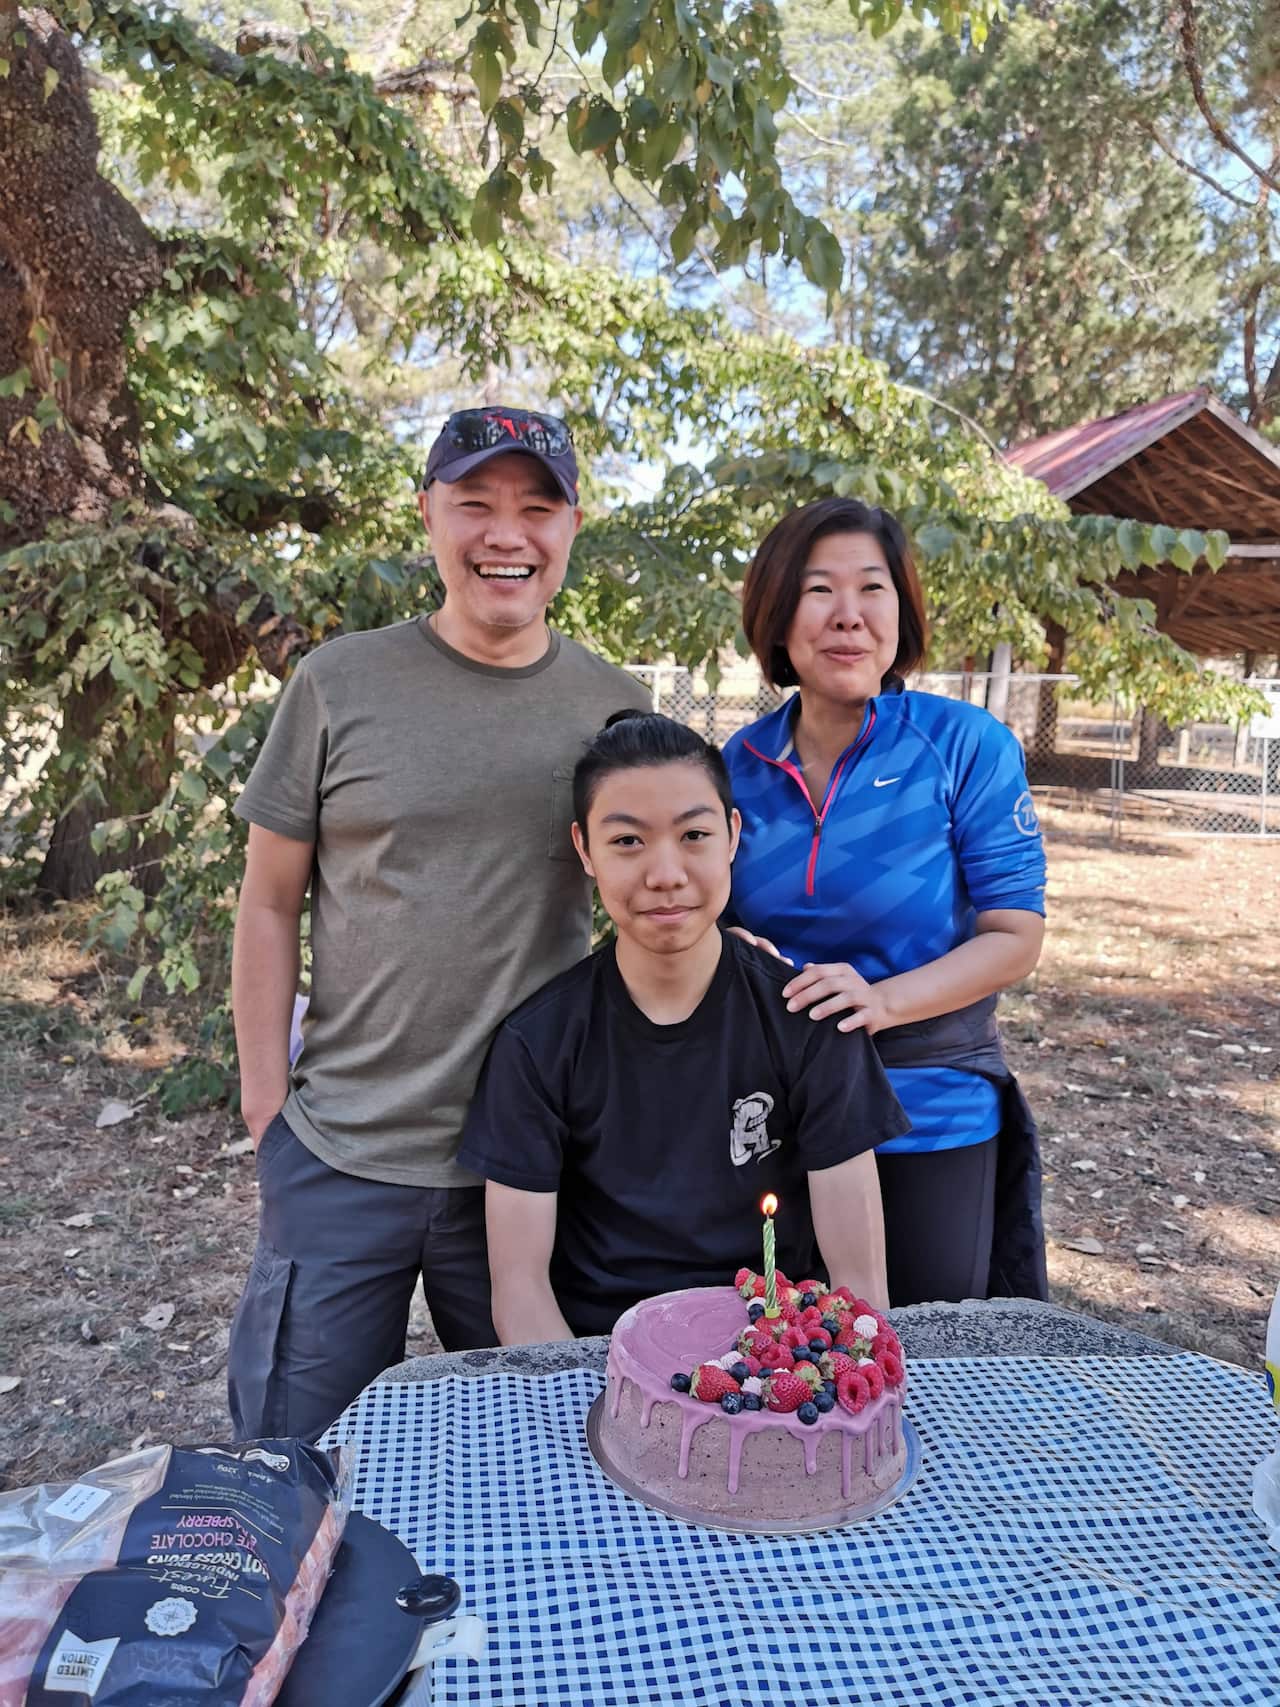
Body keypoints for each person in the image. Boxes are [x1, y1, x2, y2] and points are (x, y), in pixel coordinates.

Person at [226, 406, 651, 1440]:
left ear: (571, 529)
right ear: (428, 516)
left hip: (527, 1164)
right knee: (297, 1459)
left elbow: (662, 905)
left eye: (535, 509)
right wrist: (264, 1102)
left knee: (540, 1450)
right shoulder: (339, 683)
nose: (505, 535)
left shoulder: (613, 708)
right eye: (474, 505)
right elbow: (269, 899)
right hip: (338, 1151)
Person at [456, 712, 909, 1341]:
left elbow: (859, 1288)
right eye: (627, 842)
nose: (665, 874)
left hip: (775, 1368)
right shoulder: (538, 1043)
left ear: (731, 834)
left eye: (693, 835)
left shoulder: (809, 1019)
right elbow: (519, 1289)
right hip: (596, 1367)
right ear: (584, 849)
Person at [722, 497, 1048, 1308]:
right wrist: (728, 945)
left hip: (927, 1101)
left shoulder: (966, 746)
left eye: (872, 589)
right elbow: (703, 909)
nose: (849, 616)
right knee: (776, 1347)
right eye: (818, 590)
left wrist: (879, 1001)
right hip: (775, 1106)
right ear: (776, 613)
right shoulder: (737, 762)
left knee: (921, 1356)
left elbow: (1013, 935)